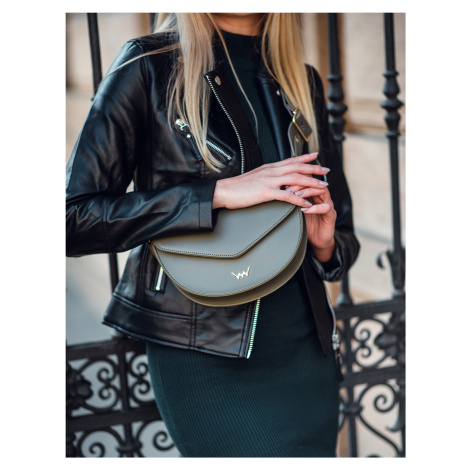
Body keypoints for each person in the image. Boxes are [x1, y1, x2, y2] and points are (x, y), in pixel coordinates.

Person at [66, 13, 360, 457]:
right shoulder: (149, 66)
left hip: (304, 349)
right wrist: (216, 194)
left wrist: (324, 244)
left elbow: (344, 234)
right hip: (202, 352)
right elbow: (72, 219)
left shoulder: (302, 82)